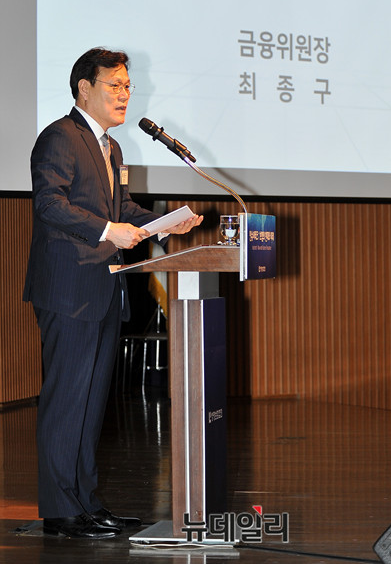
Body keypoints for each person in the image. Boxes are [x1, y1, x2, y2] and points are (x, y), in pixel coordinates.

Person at [23, 47, 203, 539]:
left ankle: (85, 503)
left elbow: (121, 209)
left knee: (89, 405)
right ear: (85, 88)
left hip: (102, 288)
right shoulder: (60, 137)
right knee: (67, 401)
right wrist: (108, 230)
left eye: (128, 86)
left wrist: (165, 223)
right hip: (69, 289)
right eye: (115, 85)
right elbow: (49, 204)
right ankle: (61, 510)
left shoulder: (110, 148)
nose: (125, 94)